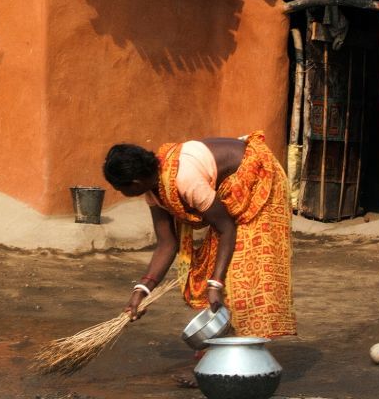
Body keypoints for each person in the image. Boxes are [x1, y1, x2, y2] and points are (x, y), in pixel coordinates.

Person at [102, 132, 295, 340]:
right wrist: (141, 291)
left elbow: (226, 228)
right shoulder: (153, 188)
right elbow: (167, 244)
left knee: (242, 269)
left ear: (136, 182)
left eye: (120, 188)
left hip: (258, 176)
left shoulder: (184, 179)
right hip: (228, 190)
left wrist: (216, 284)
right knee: (217, 262)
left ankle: (245, 347)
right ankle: (223, 343)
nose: (119, 192)